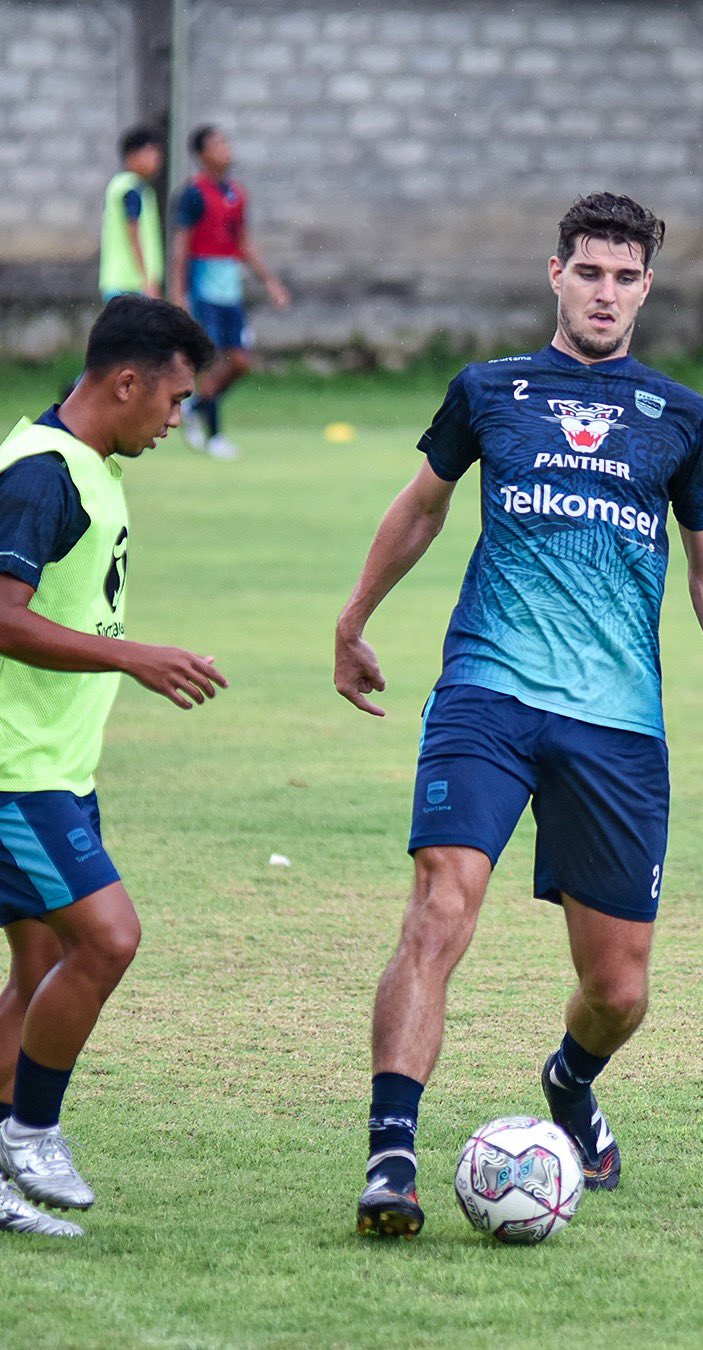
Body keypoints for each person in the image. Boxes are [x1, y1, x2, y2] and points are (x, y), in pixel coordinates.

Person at [334, 192, 703, 1240]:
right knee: (440, 910)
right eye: (590, 273)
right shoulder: (490, 390)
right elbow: (425, 506)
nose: (606, 293)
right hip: (487, 692)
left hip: (617, 723)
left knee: (619, 990)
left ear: (646, 290)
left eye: (625, 278)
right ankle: (389, 1157)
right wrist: (354, 618)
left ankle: (569, 1081)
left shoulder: (681, 418)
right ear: (556, 274)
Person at [0, 296, 227, 1238]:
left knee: (44, 960)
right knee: (110, 938)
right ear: (124, 382)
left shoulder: (83, 463)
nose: (178, 419)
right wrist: (135, 656)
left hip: (57, 768)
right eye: (173, 399)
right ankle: (32, 1132)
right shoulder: (42, 476)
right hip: (16, 774)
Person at [169, 124, 290, 461]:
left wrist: (271, 282)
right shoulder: (193, 194)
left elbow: (244, 245)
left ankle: (195, 406)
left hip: (230, 291)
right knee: (208, 361)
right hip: (204, 289)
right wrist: (178, 296)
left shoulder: (237, 193)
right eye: (217, 144)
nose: (226, 149)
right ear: (201, 155)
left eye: (226, 143)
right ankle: (215, 435)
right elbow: (181, 249)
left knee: (240, 361)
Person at [99, 126, 165, 303]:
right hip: (129, 284)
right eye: (150, 152)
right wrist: (147, 282)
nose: (156, 159)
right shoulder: (130, 188)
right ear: (132, 155)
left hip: (126, 283)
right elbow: (133, 232)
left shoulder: (138, 188)